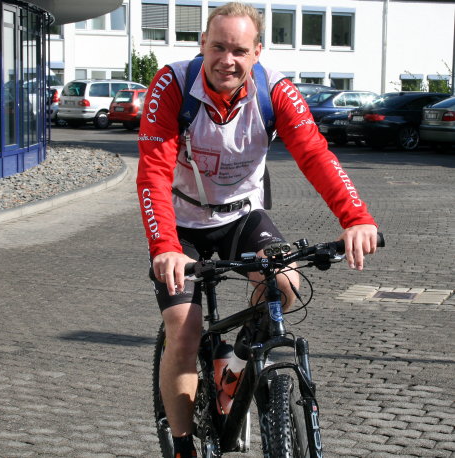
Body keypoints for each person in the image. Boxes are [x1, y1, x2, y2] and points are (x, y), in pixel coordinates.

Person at [136, 3, 378, 456]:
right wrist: (165, 246)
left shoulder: (276, 91)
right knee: (184, 333)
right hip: (182, 222)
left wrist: (355, 216)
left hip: (244, 215)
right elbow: (153, 169)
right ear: (202, 45)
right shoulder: (171, 84)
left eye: (240, 50)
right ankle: (184, 444)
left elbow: (315, 155)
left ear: (257, 53)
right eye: (218, 46)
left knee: (284, 284)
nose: (228, 59)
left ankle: (238, 363)